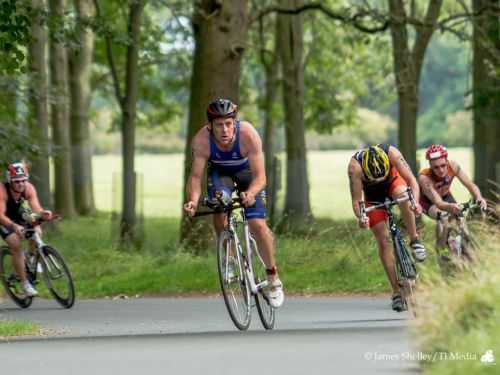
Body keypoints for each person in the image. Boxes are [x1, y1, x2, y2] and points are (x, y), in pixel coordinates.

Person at [183, 98, 284, 308]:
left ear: (234, 123)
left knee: (257, 225)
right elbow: (195, 177)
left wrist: (251, 193)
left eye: (229, 124)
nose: (225, 129)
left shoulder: (248, 134)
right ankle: (228, 256)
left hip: (248, 175)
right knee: (218, 206)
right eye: (219, 125)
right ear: (210, 126)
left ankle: (272, 277)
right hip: (221, 175)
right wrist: (192, 201)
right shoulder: (202, 140)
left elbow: (261, 178)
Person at [348, 144, 426, 312]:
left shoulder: (392, 153)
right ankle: (396, 292)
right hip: (371, 196)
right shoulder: (354, 168)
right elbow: (356, 201)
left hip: (393, 183)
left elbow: (412, 181)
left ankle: (414, 239)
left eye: (380, 177)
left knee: (403, 195)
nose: (379, 181)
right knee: (383, 239)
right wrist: (362, 218)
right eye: (375, 178)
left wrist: (416, 203)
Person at [418, 144, 487, 249]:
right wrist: (451, 208)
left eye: (443, 165)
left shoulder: (453, 166)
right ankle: (441, 248)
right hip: (428, 202)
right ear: (430, 166)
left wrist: (479, 198)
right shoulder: (425, 178)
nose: (441, 170)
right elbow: (438, 203)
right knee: (444, 217)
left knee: (461, 220)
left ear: (447, 161)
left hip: (446, 196)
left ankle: (468, 252)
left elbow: (470, 185)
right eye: (435, 167)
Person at [0, 161, 53, 297]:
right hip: (3, 219)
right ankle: (25, 284)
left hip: (17, 214)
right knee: (16, 244)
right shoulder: (2, 191)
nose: (21, 184)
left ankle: (30, 256)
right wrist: (14, 226)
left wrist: (43, 213)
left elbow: (36, 208)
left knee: (37, 231)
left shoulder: (29, 188)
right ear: (10, 180)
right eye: (17, 181)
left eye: (24, 180)